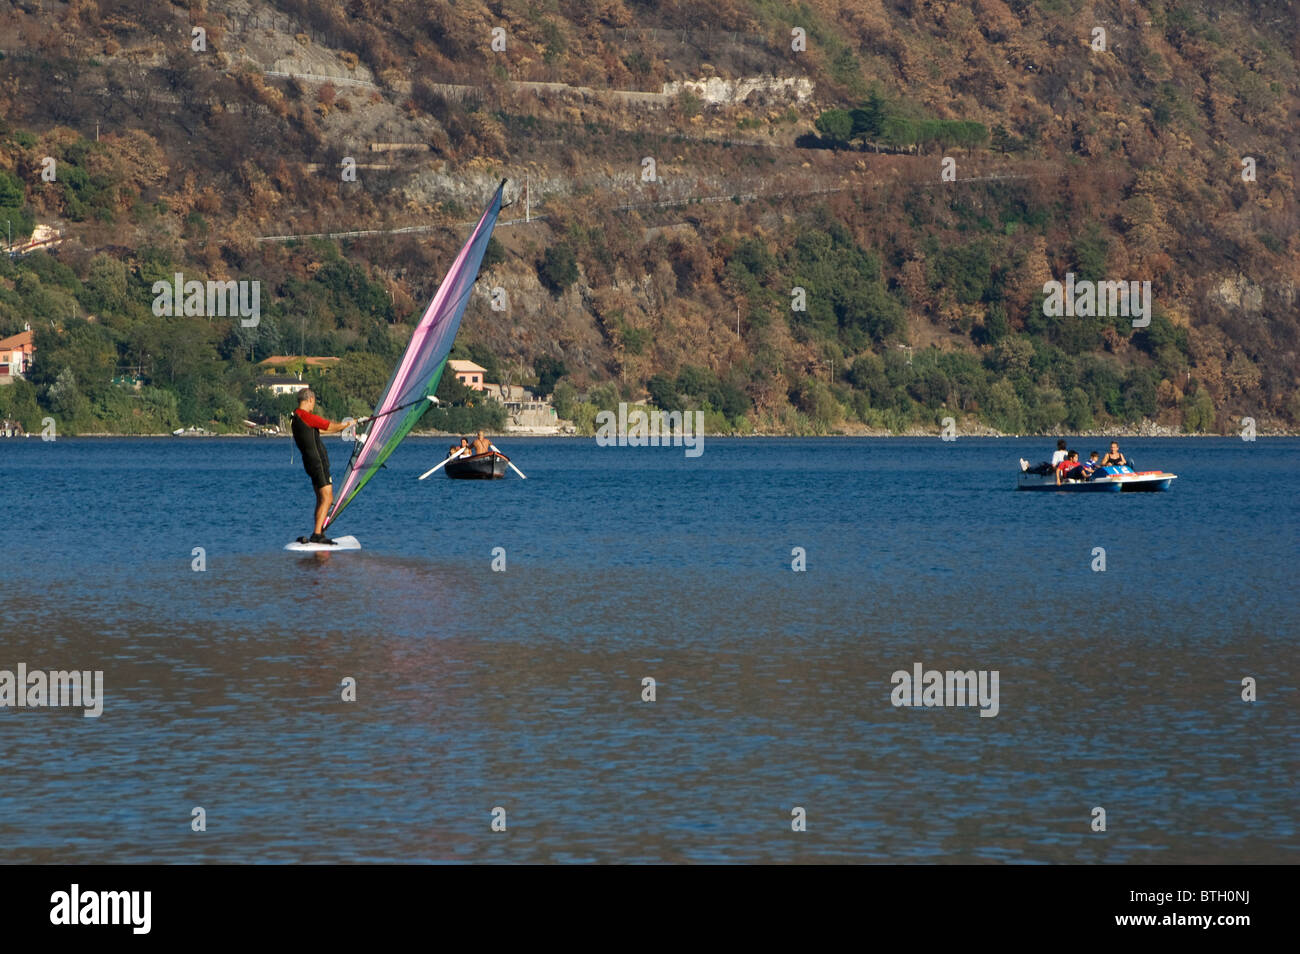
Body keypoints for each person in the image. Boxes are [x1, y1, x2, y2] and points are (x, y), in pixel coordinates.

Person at [291, 388, 352, 545]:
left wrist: (344, 426)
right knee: (327, 497)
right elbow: (329, 426)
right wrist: (349, 424)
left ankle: (318, 532)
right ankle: (317, 534)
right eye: (314, 402)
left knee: (320, 497)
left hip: (309, 462)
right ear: (310, 399)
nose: (314, 405)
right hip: (318, 462)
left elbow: (318, 431)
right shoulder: (306, 415)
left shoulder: (297, 417)